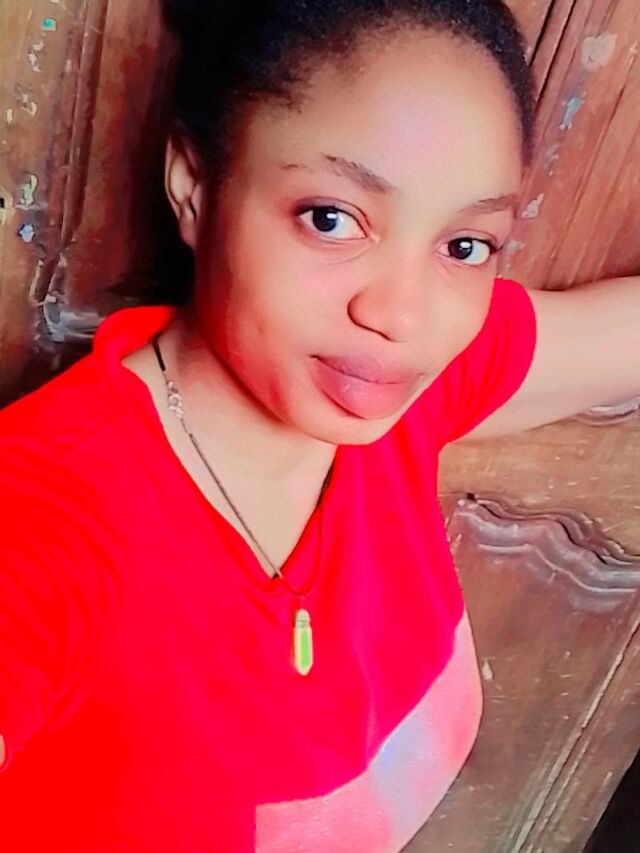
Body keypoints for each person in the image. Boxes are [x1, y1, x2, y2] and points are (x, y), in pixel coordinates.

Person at [0, 0, 638, 850]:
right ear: (195, 185)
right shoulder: (45, 520)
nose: (403, 314)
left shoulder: (408, 388)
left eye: (465, 246)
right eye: (331, 218)